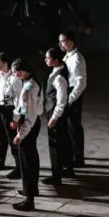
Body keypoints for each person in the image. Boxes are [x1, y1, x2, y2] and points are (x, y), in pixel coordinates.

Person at [10, 58, 44, 211]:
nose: (14, 76)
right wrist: (16, 119)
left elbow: (30, 116)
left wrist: (20, 135)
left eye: (15, 73)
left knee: (27, 162)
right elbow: (20, 106)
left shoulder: (30, 88)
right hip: (27, 122)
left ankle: (29, 199)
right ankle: (29, 190)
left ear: (22, 72)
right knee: (28, 159)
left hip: (29, 125)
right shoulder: (29, 82)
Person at [42, 47, 72, 186]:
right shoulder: (58, 70)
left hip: (56, 113)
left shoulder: (59, 78)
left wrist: (54, 117)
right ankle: (68, 169)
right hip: (55, 111)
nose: (45, 60)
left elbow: (61, 101)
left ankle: (56, 175)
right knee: (63, 141)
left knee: (55, 144)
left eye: (48, 58)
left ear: (55, 60)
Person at [59, 30, 88, 168]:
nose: (60, 44)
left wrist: (70, 99)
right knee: (69, 126)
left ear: (71, 43)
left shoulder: (77, 59)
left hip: (73, 95)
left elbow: (81, 83)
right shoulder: (67, 56)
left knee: (74, 127)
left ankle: (78, 158)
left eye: (63, 41)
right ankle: (72, 154)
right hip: (68, 93)